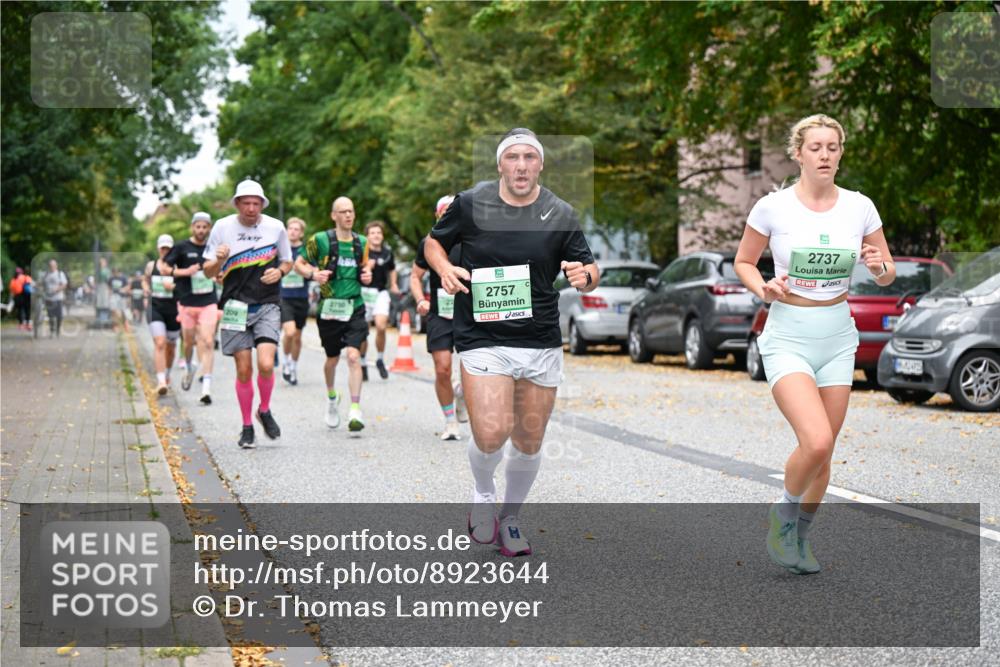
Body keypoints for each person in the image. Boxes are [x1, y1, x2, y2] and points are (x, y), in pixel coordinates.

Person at [425, 128, 598, 557]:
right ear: (500, 163)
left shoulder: (559, 212)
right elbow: (433, 243)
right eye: (513, 157)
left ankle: (511, 518)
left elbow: (589, 266)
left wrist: (585, 276)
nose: (521, 166)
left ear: (541, 164)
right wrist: (444, 268)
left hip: (540, 339)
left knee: (528, 440)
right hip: (483, 336)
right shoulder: (471, 203)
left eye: (529, 157)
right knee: (491, 433)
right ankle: (484, 491)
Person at [733, 114, 894, 575]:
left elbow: (887, 271)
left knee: (824, 455)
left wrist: (878, 267)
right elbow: (744, 261)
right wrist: (764, 288)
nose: (825, 155)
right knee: (816, 439)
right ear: (798, 154)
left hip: (838, 337)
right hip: (788, 334)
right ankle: (782, 516)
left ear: (841, 154)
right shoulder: (773, 207)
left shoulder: (860, 207)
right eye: (815, 147)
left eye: (832, 147)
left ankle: (800, 538)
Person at [203, 180, 292, 449]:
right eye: (246, 203)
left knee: (266, 364)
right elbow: (207, 272)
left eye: (256, 203)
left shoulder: (275, 227)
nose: (252, 208)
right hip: (235, 306)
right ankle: (246, 426)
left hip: (267, 303)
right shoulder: (222, 227)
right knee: (244, 370)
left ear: (262, 204)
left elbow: (288, 260)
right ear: (237, 204)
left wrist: (280, 272)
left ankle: (263, 410)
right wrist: (219, 260)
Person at [294, 196, 372, 434]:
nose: (348, 215)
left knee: (353, 356)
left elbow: (365, 268)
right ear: (333, 215)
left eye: (351, 211)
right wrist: (313, 275)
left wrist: (367, 275)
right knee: (332, 359)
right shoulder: (320, 240)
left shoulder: (362, 242)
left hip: (355, 306)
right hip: (329, 308)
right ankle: (331, 397)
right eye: (343, 211)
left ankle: (355, 409)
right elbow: (299, 264)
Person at [412, 195, 468, 441]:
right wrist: (420, 300)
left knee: (472, 370)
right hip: (440, 313)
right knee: (443, 368)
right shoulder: (430, 243)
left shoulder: (471, 240)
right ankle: (450, 421)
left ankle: (462, 394)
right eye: (444, 212)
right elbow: (415, 276)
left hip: (468, 312)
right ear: (437, 216)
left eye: (451, 212)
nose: (448, 216)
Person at [159, 211, 218, 404]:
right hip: (186, 302)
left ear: (209, 228)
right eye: (198, 226)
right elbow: (164, 268)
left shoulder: (213, 248)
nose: (201, 230)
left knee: (208, 341)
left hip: (208, 301)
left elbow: (221, 270)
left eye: (204, 227)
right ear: (192, 227)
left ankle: (206, 388)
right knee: (188, 342)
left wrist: (219, 275)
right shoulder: (181, 247)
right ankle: (189, 367)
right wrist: (185, 271)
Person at [359, 220, 399, 381]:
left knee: (381, 326)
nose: (376, 235)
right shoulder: (362, 252)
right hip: (363, 293)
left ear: (382, 236)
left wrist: (394, 284)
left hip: (380, 292)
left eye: (378, 233)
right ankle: (362, 362)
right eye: (372, 233)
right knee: (363, 330)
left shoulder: (387, 253)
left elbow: (392, 269)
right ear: (367, 236)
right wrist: (367, 266)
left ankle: (380, 359)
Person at [144, 235, 180, 395]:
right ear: (158, 249)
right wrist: (146, 288)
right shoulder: (151, 265)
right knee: (160, 343)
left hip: (173, 310)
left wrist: (174, 287)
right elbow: (145, 280)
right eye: (162, 248)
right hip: (155, 308)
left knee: (171, 347)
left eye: (168, 248)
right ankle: (161, 381)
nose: (165, 251)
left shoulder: (178, 267)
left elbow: (185, 286)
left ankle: (167, 374)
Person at [278, 217, 310, 385]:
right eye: (290, 228)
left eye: (296, 229)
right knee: (289, 332)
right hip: (284, 297)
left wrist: (305, 270)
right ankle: (285, 361)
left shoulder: (306, 251)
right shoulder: (280, 249)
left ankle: (293, 367)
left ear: (301, 233)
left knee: (297, 336)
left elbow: (313, 270)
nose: (293, 232)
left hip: (301, 298)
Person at [41, 259, 69, 338]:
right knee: (50, 316)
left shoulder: (60, 274)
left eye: (53, 265)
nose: (52, 267)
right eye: (50, 265)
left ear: (56, 266)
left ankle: (58, 329)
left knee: (59, 316)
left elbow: (64, 284)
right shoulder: (46, 274)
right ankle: (52, 331)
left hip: (58, 298)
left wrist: (57, 289)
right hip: (48, 298)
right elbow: (42, 284)